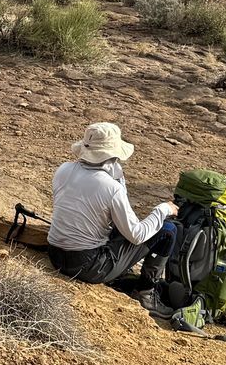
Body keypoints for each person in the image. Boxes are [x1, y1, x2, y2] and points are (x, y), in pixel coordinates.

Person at [47, 121, 177, 285]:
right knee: (168, 229)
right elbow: (137, 235)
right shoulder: (111, 187)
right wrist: (163, 209)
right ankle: (147, 290)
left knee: (116, 224)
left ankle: (127, 274)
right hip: (88, 266)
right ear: (112, 157)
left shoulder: (63, 169)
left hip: (55, 254)